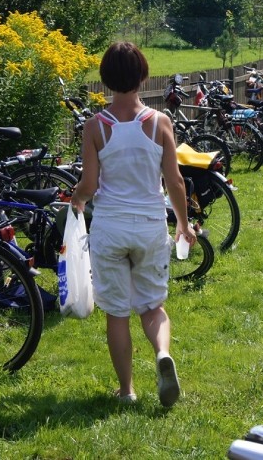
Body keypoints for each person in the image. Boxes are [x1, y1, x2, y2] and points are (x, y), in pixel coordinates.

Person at [71, 41, 196, 407]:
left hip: (110, 228)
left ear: (105, 79)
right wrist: (183, 224)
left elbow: (90, 185)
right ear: (142, 75)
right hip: (149, 226)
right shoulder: (160, 122)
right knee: (152, 306)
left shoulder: (95, 126)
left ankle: (126, 391)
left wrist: (76, 200)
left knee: (117, 313)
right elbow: (174, 181)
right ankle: (161, 354)